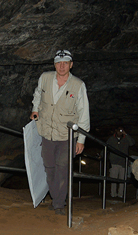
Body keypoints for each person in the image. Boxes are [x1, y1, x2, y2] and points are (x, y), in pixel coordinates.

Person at [30, 50, 90, 215]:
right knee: (50, 169)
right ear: (54, 64)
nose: (62, 66)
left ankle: (58, 204)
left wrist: (81, 140)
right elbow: (37, 94)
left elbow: (84, 114)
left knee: (62, 170)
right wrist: (35, 109)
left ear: (71, 64)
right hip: (47, 133)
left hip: (67, 136)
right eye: (58, 62)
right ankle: (57, 198)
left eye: (65, 63)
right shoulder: (45, 78)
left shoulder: (78, 85)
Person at [106, 127, 135, 198]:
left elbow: (132, 143)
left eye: (121, 131)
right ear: (116, 131)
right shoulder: (111, 139)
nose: (120, 132)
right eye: (119, 130)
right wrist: (101, 155)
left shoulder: (126, 139)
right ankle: (113, 194)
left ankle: (121, 195)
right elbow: (106, 147)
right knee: (114, 179)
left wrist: (126, 134)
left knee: (122, 180)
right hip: (114, 162)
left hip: (123, 162)